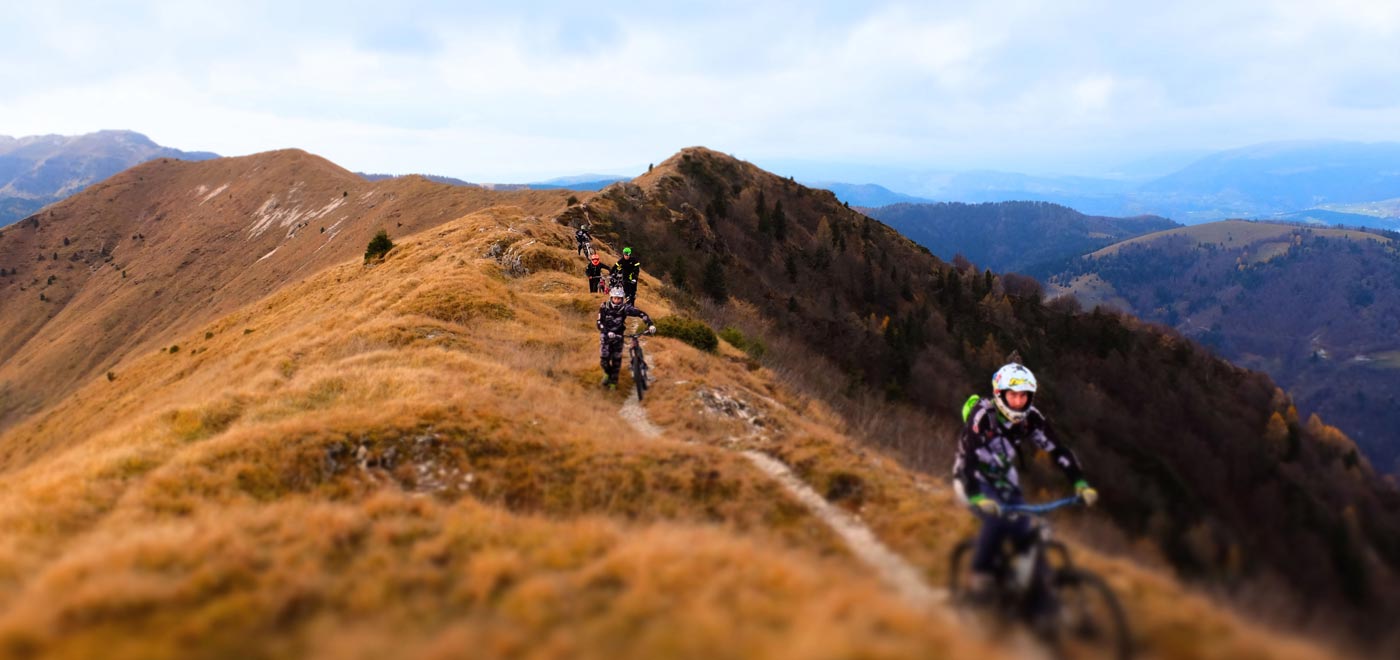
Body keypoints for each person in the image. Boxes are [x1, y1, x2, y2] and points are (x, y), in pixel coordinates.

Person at [952, 362, 1098, 606]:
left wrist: (1080, 482)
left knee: (1027, 536)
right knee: (997, 518)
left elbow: (1058, 450)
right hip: (972, 477)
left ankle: (1042, 603)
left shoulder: (1032, 419)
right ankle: (979, 577)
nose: (1019, 402)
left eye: (1024, 396)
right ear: (999, 394)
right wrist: (977, 496)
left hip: (1004, 478)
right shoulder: (982, 417)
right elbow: (969, 458)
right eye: (1013, 395)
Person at [596, 286, 655, 389]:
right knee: (604, 360)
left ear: (622, 299)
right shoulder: (604, 306)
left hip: (618, 337)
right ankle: (607, 374)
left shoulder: (625, 308)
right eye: (615, 298)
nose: (617, 300)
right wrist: (607, 332)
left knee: (616, 360)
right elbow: (599, 323)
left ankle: (613, 384)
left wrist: (650, 324)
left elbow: (641, 313)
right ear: (611, 297)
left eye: (619, 298)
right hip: (605, 336)